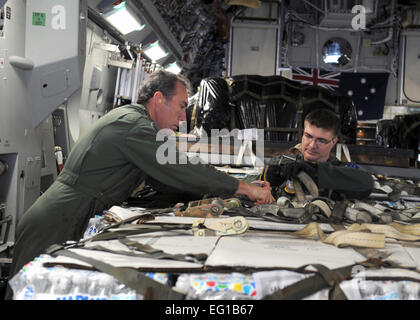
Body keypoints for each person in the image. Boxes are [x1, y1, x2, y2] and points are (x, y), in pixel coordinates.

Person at [7, 70, 274, 294]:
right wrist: (244, 188)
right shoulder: (135, 127)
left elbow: (165, 182)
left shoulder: (135, 122)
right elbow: (179, 168)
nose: (183, 117)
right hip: (57, 219)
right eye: (181, 106)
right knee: (28, 290)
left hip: (68, 213)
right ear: (159, 99)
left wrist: (231, 192)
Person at [261, 108, 374, 200]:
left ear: (333, 142)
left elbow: (367, 183)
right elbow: (249, 187)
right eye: (308, 136)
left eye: (321, 140)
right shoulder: (282, 163)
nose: (312, 145)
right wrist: (266, 179)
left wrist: (315, 171)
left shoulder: (341, 170)